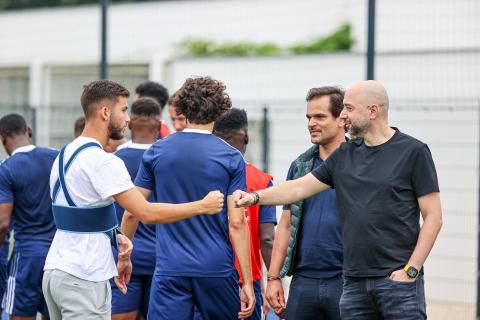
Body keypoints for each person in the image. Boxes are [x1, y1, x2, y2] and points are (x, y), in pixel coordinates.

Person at [235, 80, 443, 320]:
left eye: (349, 108)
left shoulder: (413, 151)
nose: (344, 116)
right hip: (353, 285)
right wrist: (253, 197)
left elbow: (434, 217)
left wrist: (411, 270)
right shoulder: (344, 155)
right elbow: (298, 188)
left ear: (373, 111)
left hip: (397, 283)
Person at [42, 80, 224, 320]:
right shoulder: (103, 160)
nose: (128, 119)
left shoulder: (64, 154)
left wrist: (118, 239)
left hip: (56, 271)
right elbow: (144, 212)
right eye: (124, 110)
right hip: (84, 277)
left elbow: (79, 211)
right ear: (106, 112)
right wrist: (202, 206)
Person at [121, 76, 256, 319]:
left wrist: (123, 255)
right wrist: (246, 281)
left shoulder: (157, 150)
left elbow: (132, 211)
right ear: (220, 110)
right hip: (216, 268)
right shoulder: (231, 156)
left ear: (182, 109)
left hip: (170, 268)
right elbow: (237, 222)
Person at [266, 87, 346, 320]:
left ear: (342, 119)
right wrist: (273, 278)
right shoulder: (300, 165)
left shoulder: (360, 162)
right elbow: (286, 224)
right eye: (309, 117)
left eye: (320, 116)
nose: (311, 123)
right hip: (303, 281)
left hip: (348, 281)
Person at [213, 108, 276, 320]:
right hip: (248, 280)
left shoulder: (205, 176)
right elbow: (267, 239)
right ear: (246, 136)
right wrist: (274, 281)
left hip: (210, 275)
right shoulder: (262, 181)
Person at [0, 113, 57, 320]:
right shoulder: (55, 157)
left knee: (20, 315)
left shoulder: (6, 168)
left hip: (27, 256)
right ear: (29, 132)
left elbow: (3, 222)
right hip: (58, 254)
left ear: (3, 138)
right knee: (55, 314)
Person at [110, 97, 161, 320]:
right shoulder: (166, 158)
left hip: (123, 254)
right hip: (162, 258)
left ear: (130, 124)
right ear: (160, 125)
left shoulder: (113, 160)